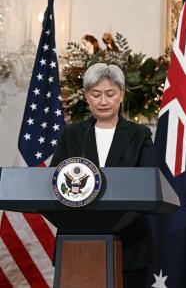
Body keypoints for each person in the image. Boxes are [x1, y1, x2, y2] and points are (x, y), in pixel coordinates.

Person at [51, 63, 156, 287]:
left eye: (110, 94)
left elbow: (149, 182)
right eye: (95, 94)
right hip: (77, 240)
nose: (103, 101)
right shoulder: (71, 134)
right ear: (87, 97)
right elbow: (54, 180)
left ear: (121, 95)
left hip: (129, 242)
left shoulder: (140, 135)